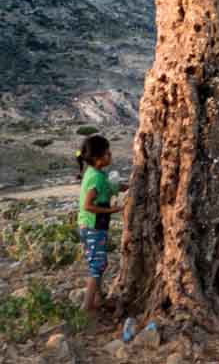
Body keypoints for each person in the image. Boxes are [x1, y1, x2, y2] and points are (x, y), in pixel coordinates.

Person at [75, 133, 121, 318]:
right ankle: (86, 308)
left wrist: (126, 186)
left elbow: (110, 188)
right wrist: (112, 211)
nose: (111, 156)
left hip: (90, 226)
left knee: (98, 263)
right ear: (97, 158)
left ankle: (98, 299)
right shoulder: (96, 178)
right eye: (107, 153)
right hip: (93, 227)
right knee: (97, 265)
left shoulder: (96, 174)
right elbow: (87, 205)